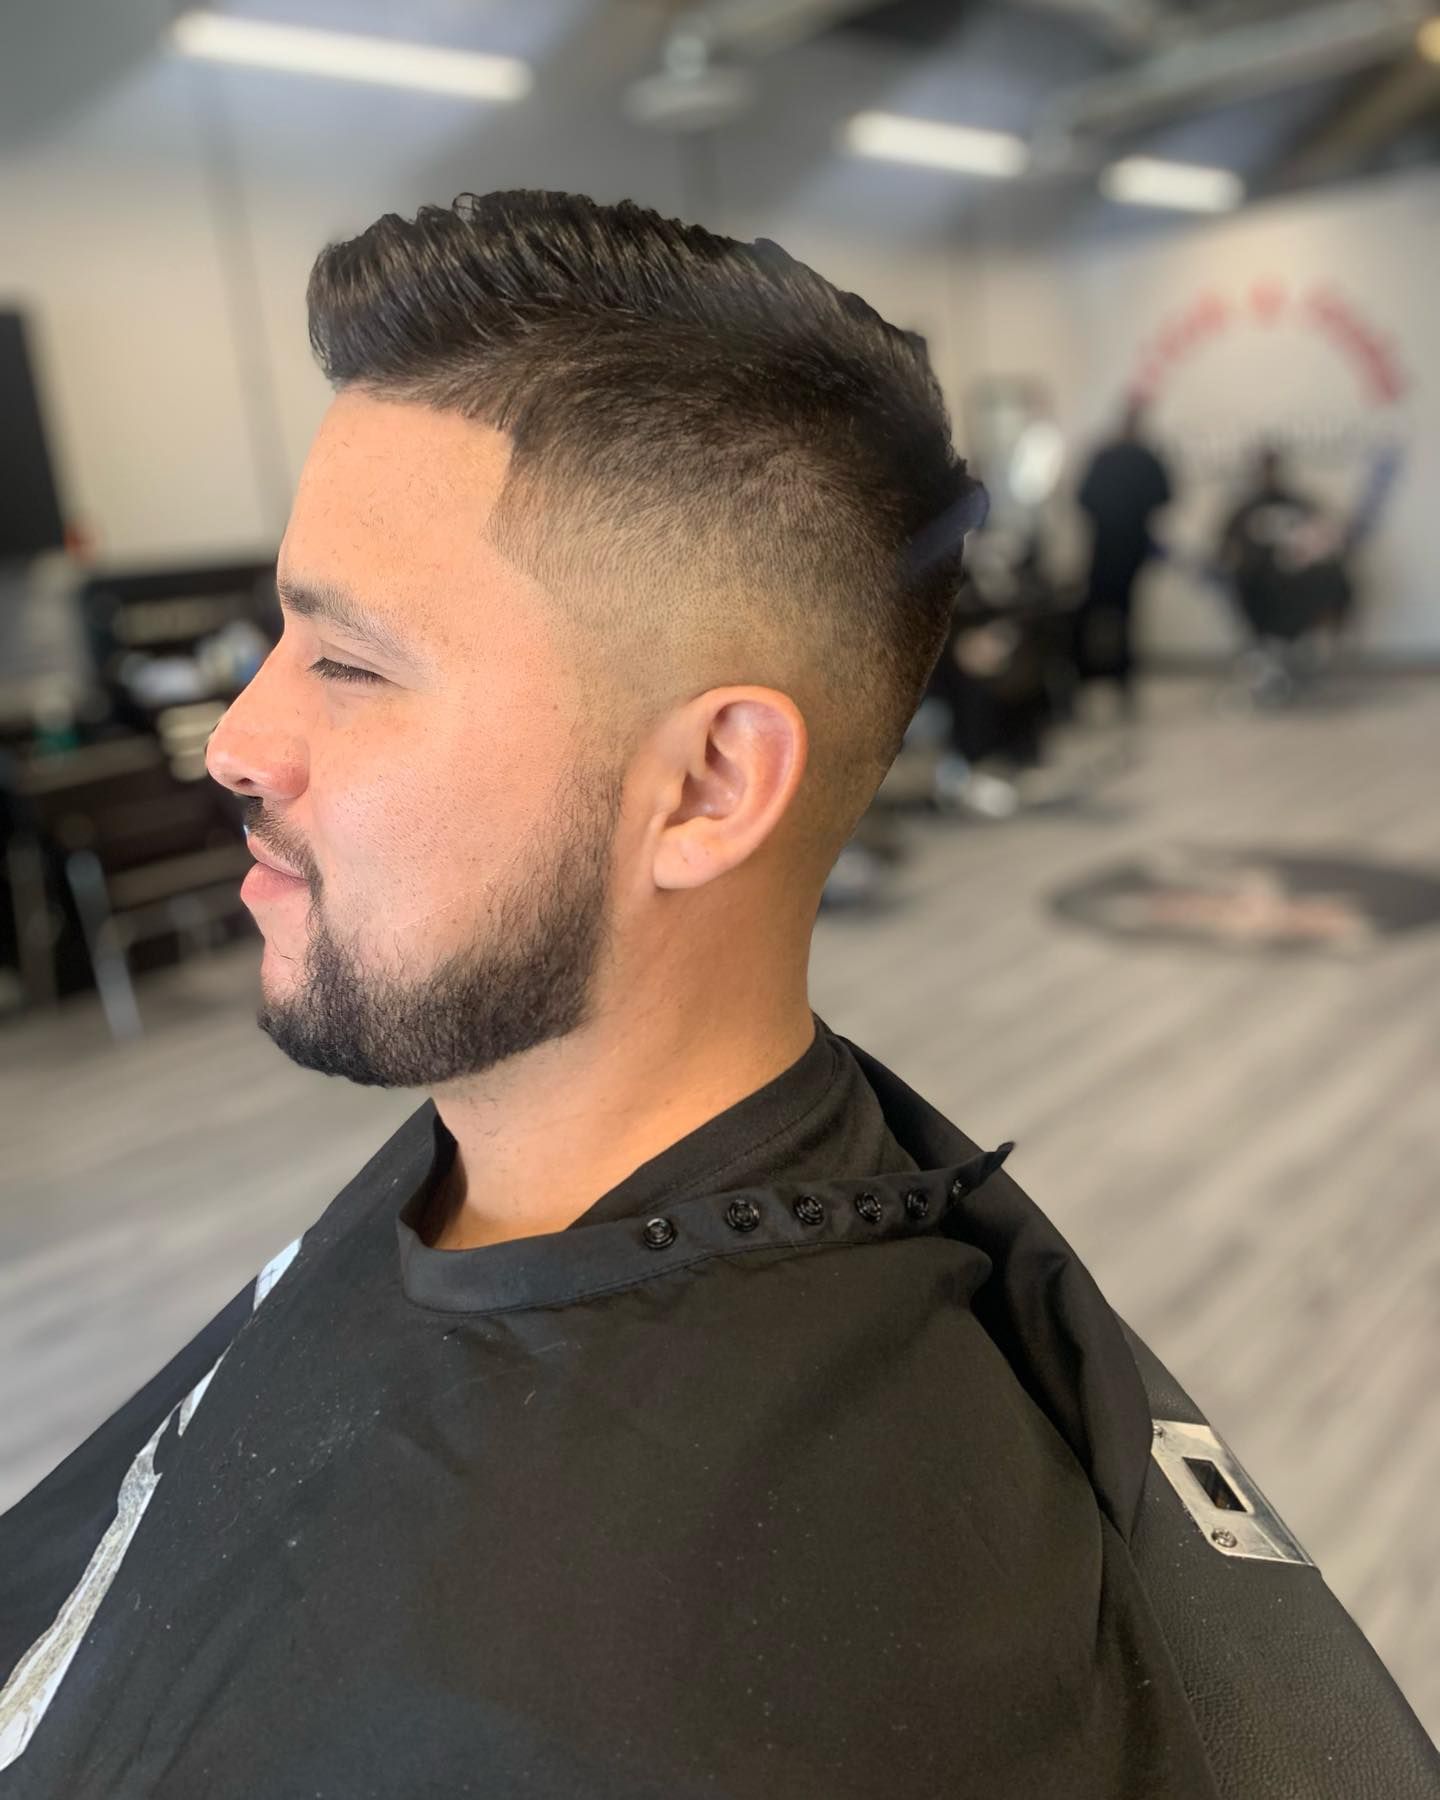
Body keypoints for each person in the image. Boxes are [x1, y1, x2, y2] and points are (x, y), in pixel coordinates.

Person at [0, 192, 1228, 1799]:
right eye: (271, 642)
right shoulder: (489, 1164)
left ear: (713, 785)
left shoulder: (744, 1696)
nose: (236, 740)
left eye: (347, 664)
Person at [1075, 395, 1173, 716]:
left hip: (1107, 548)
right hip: (1126, 549)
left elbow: (1084, 498)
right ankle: (1114, 678)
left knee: (1098, 613)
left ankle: (1094, 676)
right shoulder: (1144, 459)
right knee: (1120, 615)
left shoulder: (1106, 457)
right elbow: (1164, 496)